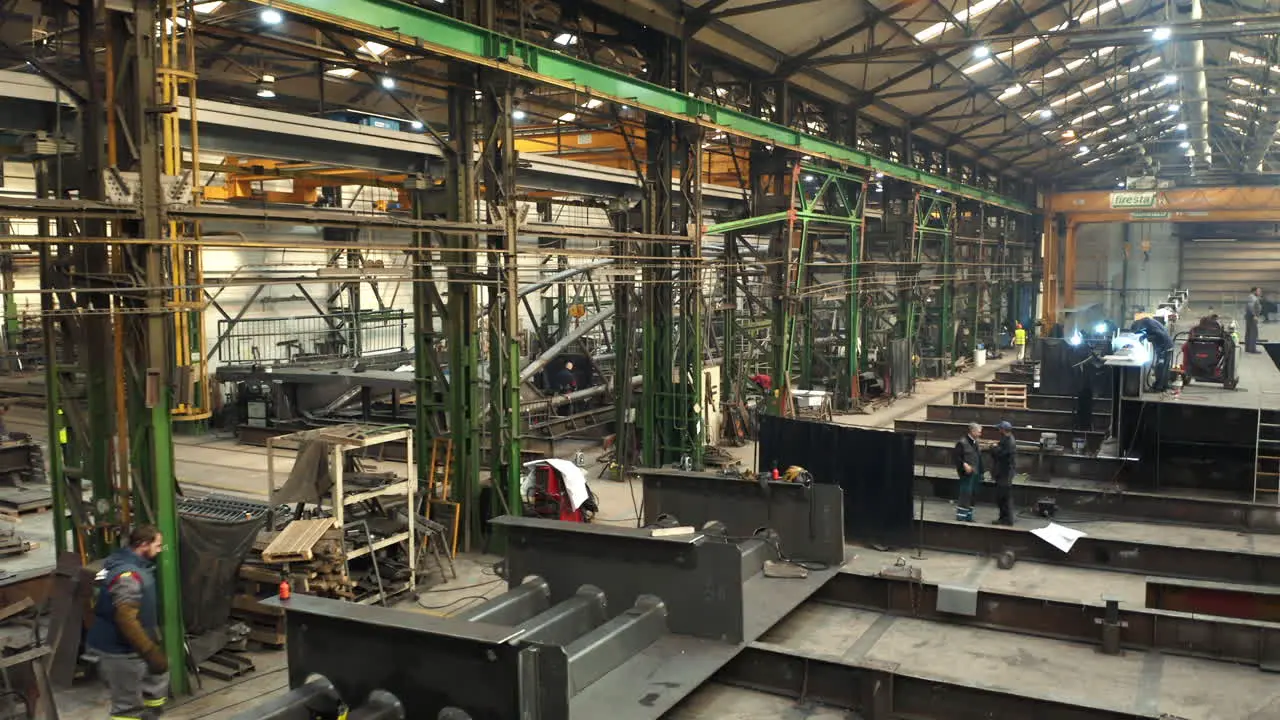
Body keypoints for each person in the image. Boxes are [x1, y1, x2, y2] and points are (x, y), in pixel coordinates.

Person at [86, 525, 169, 720]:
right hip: (119, 651)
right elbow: (126, 619)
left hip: (134, 647)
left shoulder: (131, 563)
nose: (159, 550)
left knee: (156, 683)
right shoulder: (128, 576)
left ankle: (151, 715)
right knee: (127, 708)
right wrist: (149, 651)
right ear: (143, 545)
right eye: (157, 545)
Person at [1130, 316, 1174, 391]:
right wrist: (1144, 336)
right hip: (1165, 346)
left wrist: (1147, 337)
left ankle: (1159, 387)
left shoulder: (1148, 324)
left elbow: (1160, 335)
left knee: (1160, 367)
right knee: (1164, 367)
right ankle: (1164, 385)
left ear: (1138, 326)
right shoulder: (1146, 323)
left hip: (1164, 347)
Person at [952, 422, 983, 522]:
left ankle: (969, 516)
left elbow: (978, 458)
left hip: (976, 473)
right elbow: (956, 457)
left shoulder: (976, 442)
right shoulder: (962, 442)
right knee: (965, 494)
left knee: (973, 494)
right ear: (972, 431)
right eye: (979, 432)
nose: (980, 434)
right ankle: (961, 516)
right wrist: (964, 464)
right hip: (966, 474)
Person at [989, 421, 1017, 525]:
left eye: (999, 429)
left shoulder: (1009, 441)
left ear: (1003, 430)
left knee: (1004, 497)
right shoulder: (1007, 439)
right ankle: (1004, 518)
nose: (998, 430)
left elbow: (1000, 454)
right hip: (1004, 472)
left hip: (1005, 473)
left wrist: (993, 447)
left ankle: (1007, 519)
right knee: (1002, 497)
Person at [1245, 287, 1263, 353]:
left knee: (1249, 332)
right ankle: (1252, 349)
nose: (1260, 292)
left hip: (1249, 317)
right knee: (1253, 333)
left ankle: (1248, 348)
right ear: (1254, 291)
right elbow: (1251, 306)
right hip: (1252, 317)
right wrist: (1254, 315)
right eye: (1259, 291)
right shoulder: (1253, 298)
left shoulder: (1251, 297)